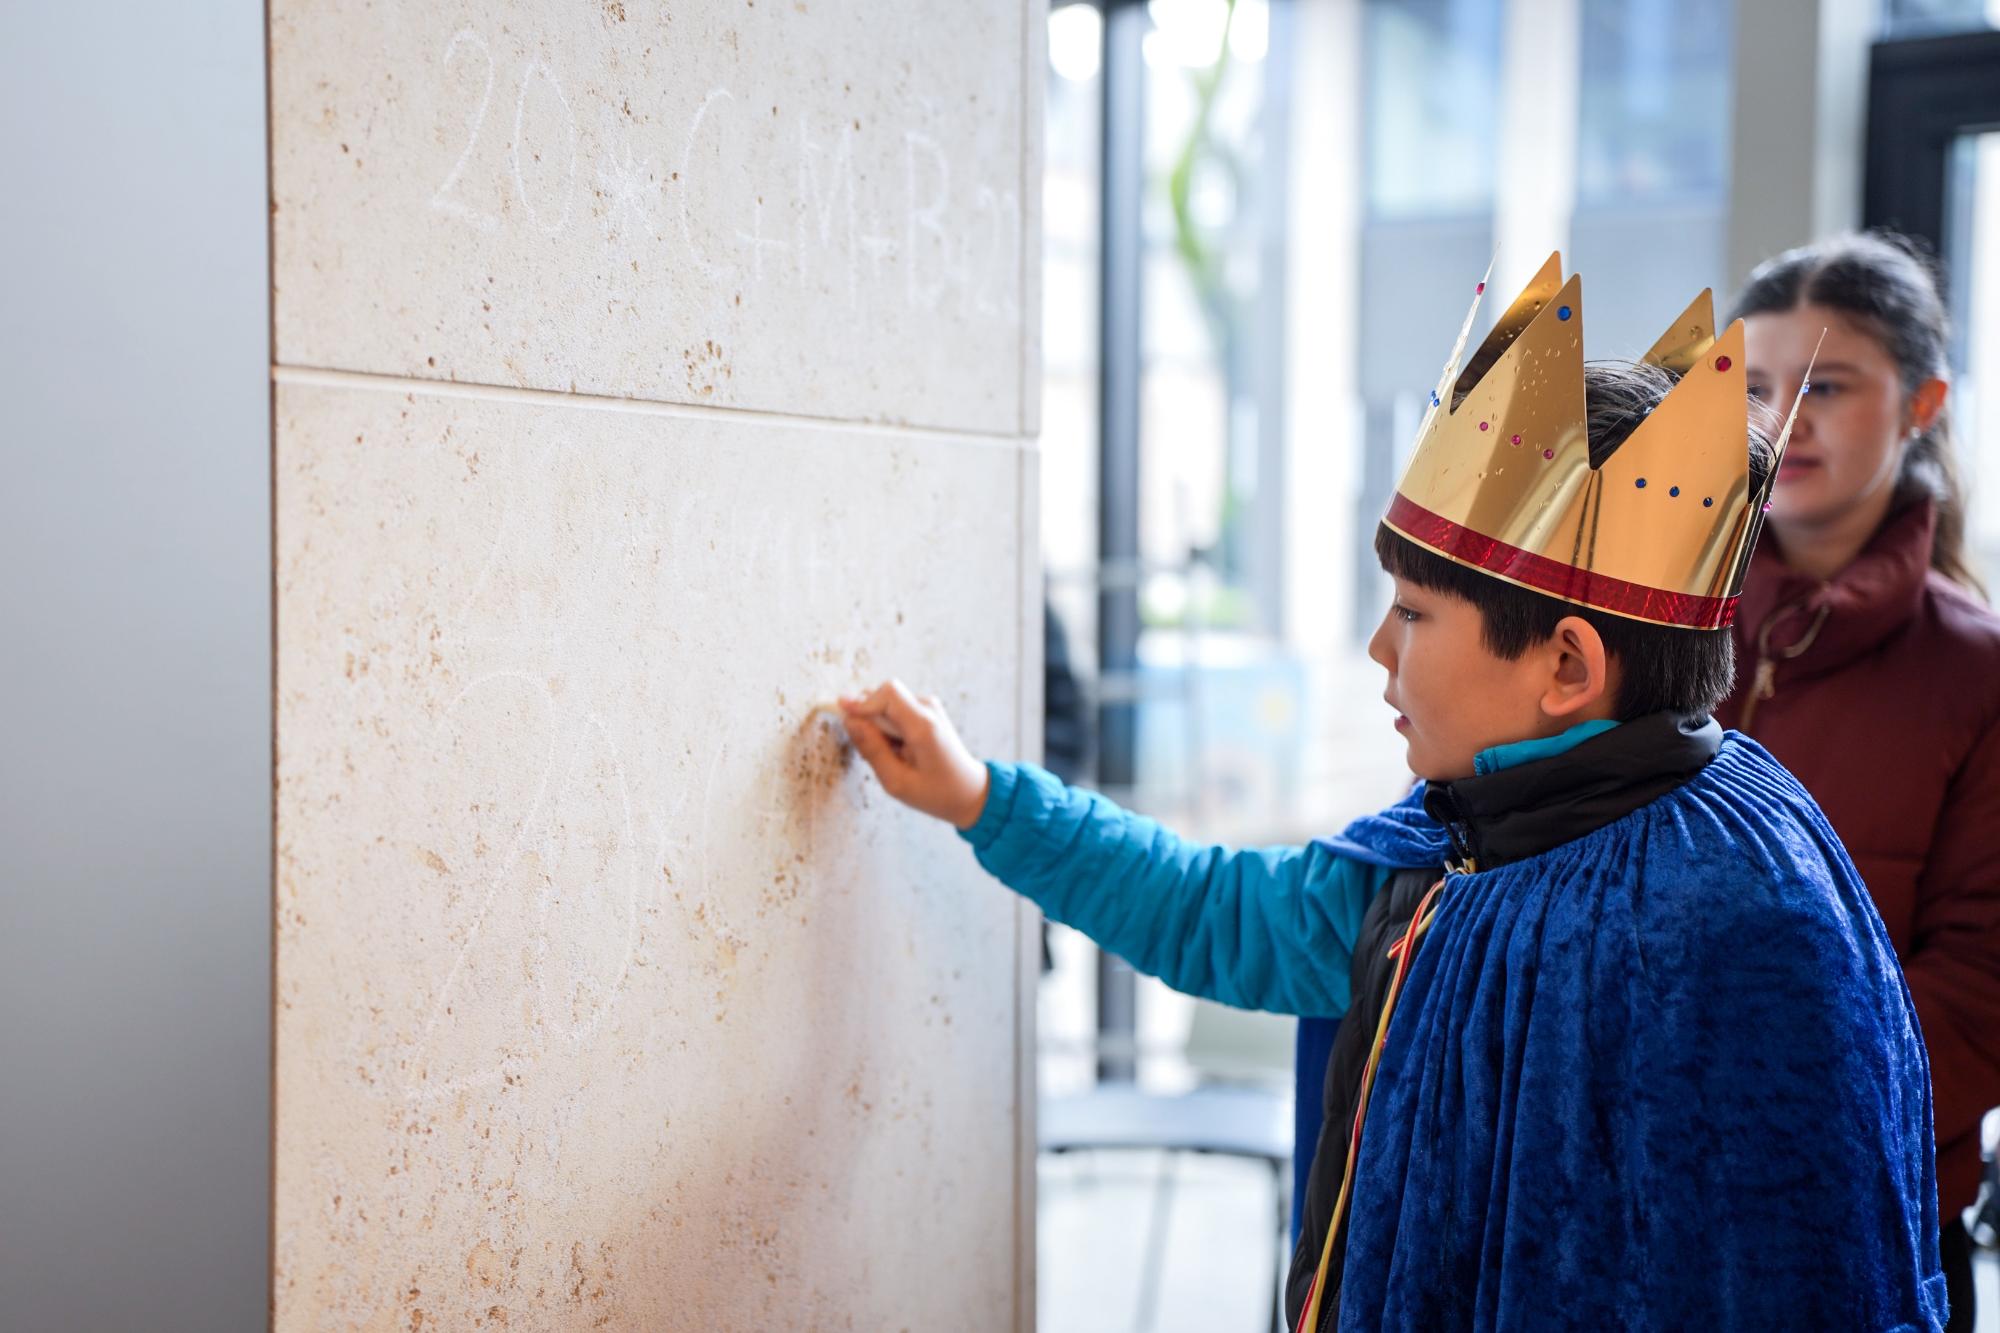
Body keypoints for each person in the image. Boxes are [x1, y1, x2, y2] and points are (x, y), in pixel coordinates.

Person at [838, 257, 1946, 1330]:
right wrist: (983, 797)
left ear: (1564, 667)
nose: (1377, 648)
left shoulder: (1751, 908)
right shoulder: (1444, 848)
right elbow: (1215, 912)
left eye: (1412, 614)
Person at [1724, 231, 2000, 1333]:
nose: (1782, 419)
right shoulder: (1646, 625)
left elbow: (1980, 992)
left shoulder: (1973, 670)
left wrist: (1741, 1088)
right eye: (1751, 386)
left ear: (1920, 401)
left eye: (1824, 386)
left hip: (1868, 1217)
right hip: (1645, 1187)